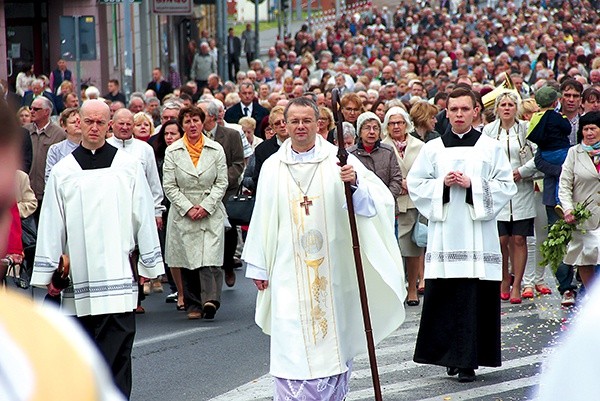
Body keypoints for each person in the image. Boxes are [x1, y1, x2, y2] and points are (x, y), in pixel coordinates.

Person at [242, 97, 406, 400]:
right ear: (285, 125)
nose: (301, 126)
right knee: (290, 339)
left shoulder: (340, 159)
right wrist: (259, 265)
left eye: (307, 120)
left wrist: (354, 182)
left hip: (332, 270)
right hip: (287, 267)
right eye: (294, 121)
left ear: (319, 124)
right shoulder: (272, 167)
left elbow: (378, 202)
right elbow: (262, 217)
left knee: (331, 339)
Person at [30, 99, 164, 398]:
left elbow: (143, 215)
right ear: (77, 121)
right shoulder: (63, 170)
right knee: (83, 355)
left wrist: (150, 266)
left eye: (100, 122)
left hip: (117, 274)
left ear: (110, 125)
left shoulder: (128, 166)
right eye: (87, 121)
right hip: (79, 276)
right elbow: (52, 222)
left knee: (118, 353)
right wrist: (50, 272)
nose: (93, 127)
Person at [407, 88, 517, 383]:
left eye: (464, 109)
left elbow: (507, 186)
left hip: (478, 235)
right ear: (446, 112)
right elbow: (415, 184)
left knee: (474, 297)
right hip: (445, 236)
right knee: (447, 297)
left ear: (476, 111)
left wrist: (473, 185)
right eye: (453, 110)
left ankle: (469, 361)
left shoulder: (490, 147)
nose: (458, 115)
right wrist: (441, 185)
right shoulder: (432, 149)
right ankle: (450, 357)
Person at [162, 106, 228, 320]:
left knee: (211, 256)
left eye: (196, 121)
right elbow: (169, 186)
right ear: (182, 125)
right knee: (188, 258)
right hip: (184, 209)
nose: (192, 125)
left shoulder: (216, 149)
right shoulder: (172, 151)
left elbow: (222, 182)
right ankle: (193, 304)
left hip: (210, 207)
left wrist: (207, 205)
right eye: (187, 121)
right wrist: (188, 207)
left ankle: (211, 299)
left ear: (203, 122)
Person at [482, 90, 539, 303]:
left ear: (516, 108)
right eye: (503, 105)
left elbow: (537, 156)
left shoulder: (525, 129)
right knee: (500, 239)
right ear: (496, 108)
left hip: (521, 190)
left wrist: (520, 172)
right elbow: (483, 158)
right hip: (498, 192)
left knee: (519, 238)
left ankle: (517, 285)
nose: (506, 108)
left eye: (510, 105)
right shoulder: (488, 131)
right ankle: (504, 278)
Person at [381, 107, 426, 304]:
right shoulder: (382, 146)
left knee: (412, 248)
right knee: (393, 248)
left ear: (406, 124)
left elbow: (426, 172)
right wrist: (398, 184)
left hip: (413, 201)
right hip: (392, 201)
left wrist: (412, 183)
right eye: (392, 123)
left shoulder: (420, 146)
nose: (396, 126)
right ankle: (397, 288)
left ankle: (413, 288)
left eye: (399, 122)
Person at [557, 111, 600, 290]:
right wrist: (568, 209)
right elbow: (565, 185)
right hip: (583, 217)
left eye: (593, 129)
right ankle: (592, 300)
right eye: (585, 129)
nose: (589, 133)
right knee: (585, 258)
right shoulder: (574, 153)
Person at [152, 120, 186, 310]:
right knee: (170, 250)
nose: (169, 138)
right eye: (166, 134)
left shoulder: (187, 155)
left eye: (173, 134)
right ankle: (178, 289)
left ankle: (190, 290)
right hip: (165, 209)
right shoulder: (158, 158)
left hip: (187, 206)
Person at [24, 95, 65, 219]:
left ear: (47, 112)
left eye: (36, 109)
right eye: (31, 108)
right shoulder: (24, 131)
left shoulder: (59, 134)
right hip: (27, 195)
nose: (31, 111)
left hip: (47, 194)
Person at [45, 107, 81, 183]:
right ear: (64, 126)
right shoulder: (55, 149)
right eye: (73, 122)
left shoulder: (91, 147)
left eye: (80, 122)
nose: (78, 125)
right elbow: (49, 177)